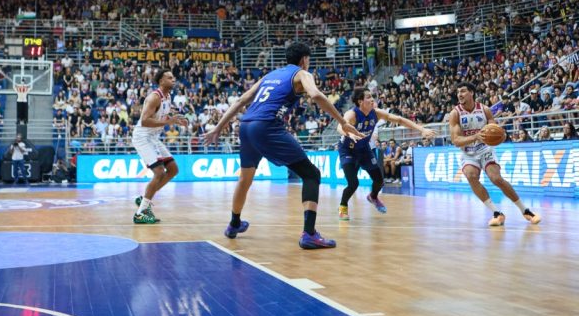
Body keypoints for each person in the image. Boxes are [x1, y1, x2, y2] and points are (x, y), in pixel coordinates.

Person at [203, 42, 364, 249]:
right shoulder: (303, 74)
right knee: (311, 174)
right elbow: (315, 95)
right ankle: (309, 233)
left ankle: (234, 224)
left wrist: (218, 128)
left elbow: (241, 100)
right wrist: (342, 122)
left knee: (244, 179)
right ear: (303, 60)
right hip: (266, 126)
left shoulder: (269, 76)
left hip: (245, 126)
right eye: (308, 60)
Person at [449, 82, 541, 226]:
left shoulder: (484, 110)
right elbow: (456, 140)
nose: (459, 94)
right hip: (468, 153)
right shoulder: (455, 113)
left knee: (496, 178)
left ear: (471, 92)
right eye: (458, 92)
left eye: (463, 91)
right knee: (471, 176)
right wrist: (475, 137)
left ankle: (525, 210)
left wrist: (501, 136)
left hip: (485, 149)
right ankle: (497, 213)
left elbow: (496, 131)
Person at [337, 88, 436, 221]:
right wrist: (349, 133)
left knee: (379, 180)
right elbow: (340, 126)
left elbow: (399, 119)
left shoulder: (376, 113)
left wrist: (422, 129)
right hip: (347, 150)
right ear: (360, 101)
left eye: (372, 96)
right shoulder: (352, 114)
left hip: (364, 150)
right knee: (353, 183)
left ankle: (373, 196)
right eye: (368, 97)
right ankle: (343, 207)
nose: (372, 99)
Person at [132, 69, 188, 224]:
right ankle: (141, 212)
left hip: (154, 137)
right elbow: (144, 121)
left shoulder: (168, 97)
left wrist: (176, 120)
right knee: (158, 172)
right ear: (161, 81)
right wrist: (167, 122)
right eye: (170, 78)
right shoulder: (154, 97)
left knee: (173, 169)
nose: (173, 80)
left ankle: (145, 199)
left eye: (173, 77)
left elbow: (162, 116)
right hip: (143, 137)